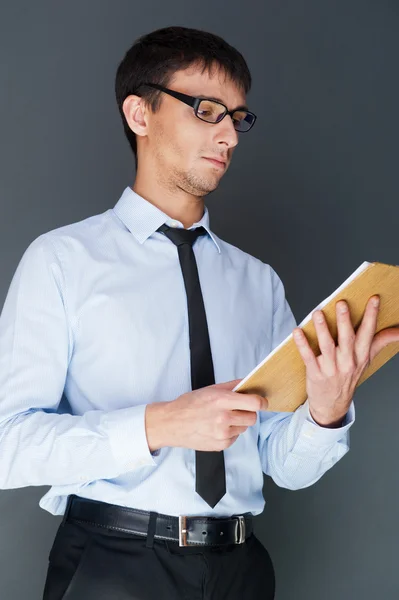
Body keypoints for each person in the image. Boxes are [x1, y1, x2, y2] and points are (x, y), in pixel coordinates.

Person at [1, 25, 397, 600]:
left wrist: (327, 412)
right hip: (114, 568)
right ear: (140, 114)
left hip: (242, 569)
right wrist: (161, 424)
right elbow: (8, 444)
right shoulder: (62, 261)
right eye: (207, 110)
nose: (229, 137)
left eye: (237, 118)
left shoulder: (259, 283)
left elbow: (283, 465)